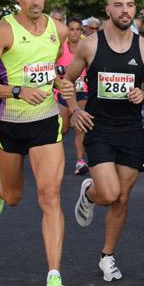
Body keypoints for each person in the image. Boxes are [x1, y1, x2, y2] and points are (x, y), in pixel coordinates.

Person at [0, 0, 74, 286]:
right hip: (9, 122)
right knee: (14, 197)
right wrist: (17, 89)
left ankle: (54, 278)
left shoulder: (58, 31)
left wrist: (62, 84)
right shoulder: (4, 31)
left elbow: (58, 70)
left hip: (46, 121)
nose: (36, 2)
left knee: (50, 196)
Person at [64, 0, 144, 283]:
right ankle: (91, 193)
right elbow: (66, 80)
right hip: (99, 128)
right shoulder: (90, 46)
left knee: (122, 198)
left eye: (130, 5)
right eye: (118, 5)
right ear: (108, 10)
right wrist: (73, 110)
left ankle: (107, 256)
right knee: (109, 193)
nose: (125, 11)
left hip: (131, 131)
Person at [56, 18, 90, 176]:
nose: (75, 32)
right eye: (72, 29)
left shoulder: (85, 46)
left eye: (78, 29)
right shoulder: (61, 48)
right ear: (67, 31)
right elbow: (51, 66)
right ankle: (56, 159)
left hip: (82, 90)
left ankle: (80, 161)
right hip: (64, 92)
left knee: (80, 127)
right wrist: (59, 81)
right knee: (62, 129)